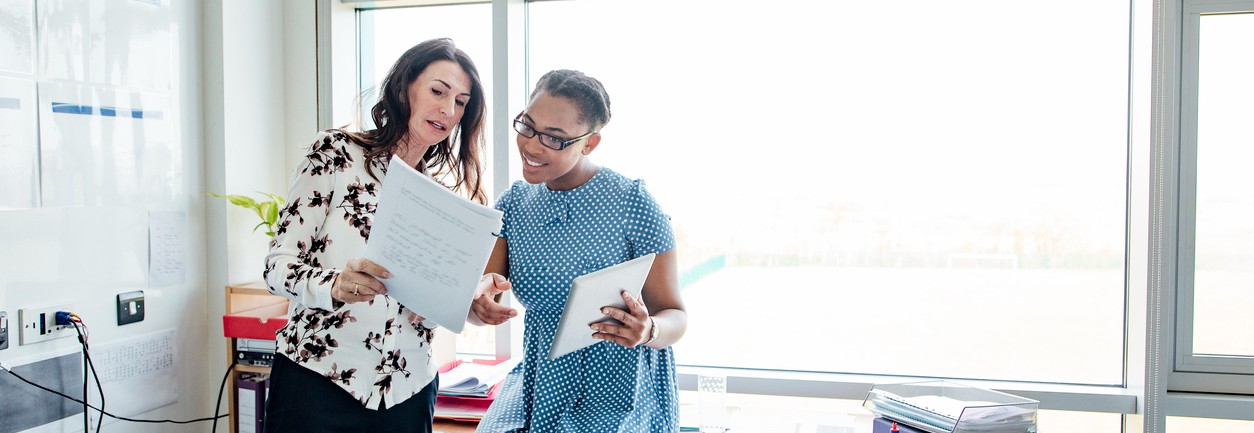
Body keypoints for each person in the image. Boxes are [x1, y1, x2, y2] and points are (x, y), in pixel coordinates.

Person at [262, 38, 514, 433]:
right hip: (318, 382)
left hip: (408, 393)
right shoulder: (336, 154)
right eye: (438, 91)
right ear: (402, 89)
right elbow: (277, 268)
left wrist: (471, 306)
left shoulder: (441, 200)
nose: (448, 110)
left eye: (461, 102)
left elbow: (425, 301)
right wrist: (336, 284)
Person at [472, 69, 687, 432]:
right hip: (541, 383)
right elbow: (480, 304)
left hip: (620, 389)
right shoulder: (512, 205)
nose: (533, 146)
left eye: (554, 139)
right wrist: (477, 307)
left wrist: (648, 330)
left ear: (589, 143)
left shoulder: (632, 202)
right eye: (527, 126)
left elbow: (675, 315)